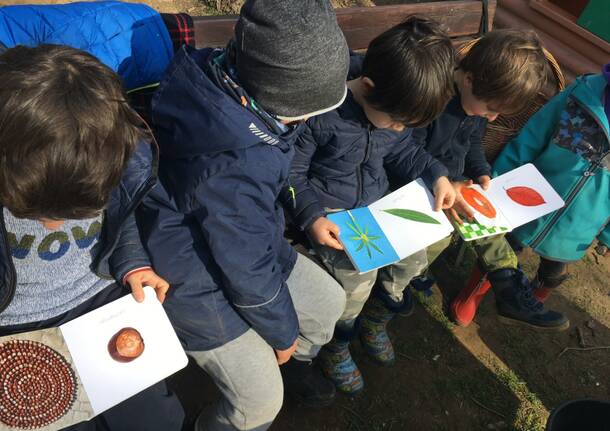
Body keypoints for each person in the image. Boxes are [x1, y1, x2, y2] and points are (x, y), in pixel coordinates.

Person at [137, 1, 349, 429]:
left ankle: (283, 362)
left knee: (330, 304)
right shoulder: (236, 167)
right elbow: (247, 274)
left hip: (246, 242)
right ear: (282, 100)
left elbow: (246, 247)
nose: (310, 120)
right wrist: (284, 332)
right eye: (309, 111)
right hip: (195, 281)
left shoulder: (229, 82)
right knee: (260, 404)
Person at [0, 45, 184, 431]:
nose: (53, 227)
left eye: (77, 214)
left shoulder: (107, 153)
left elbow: (122, 216)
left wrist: (133, 260)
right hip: (15, 326)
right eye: (31, 213)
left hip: (98, 299)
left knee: (159, 421)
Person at [283, 17, 456, 395]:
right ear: (367, 87)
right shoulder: (322, 114)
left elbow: (406, 150)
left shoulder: (393, 107)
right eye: (397, 122)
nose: (398, 129)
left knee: (413, 258)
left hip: (377, 211)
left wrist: (436, 174)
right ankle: (337, 343)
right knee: (355, 282)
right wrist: (312, 217)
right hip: (332, 222)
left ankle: (375, 320)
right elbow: (291, 176)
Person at [411, 30, 569, 331]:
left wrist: (481, 169)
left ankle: (507, 282)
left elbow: (472, 142)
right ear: (468, 79)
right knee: (451, 230)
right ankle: (505, 284)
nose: (494, 118)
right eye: (492, 110)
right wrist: (443, 179)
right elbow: (407, 151)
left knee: (477, 218)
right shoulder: (433, 100)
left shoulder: (475, 102)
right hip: (418, 185)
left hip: (450, 185)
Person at [493, 63, 610, 303]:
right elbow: (533, 135)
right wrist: (500, 178)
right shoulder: (583, 93)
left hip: (578, 224)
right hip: (530, 196)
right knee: (502, 249)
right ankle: (476, 289)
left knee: (554, 268)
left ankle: (535, 298)